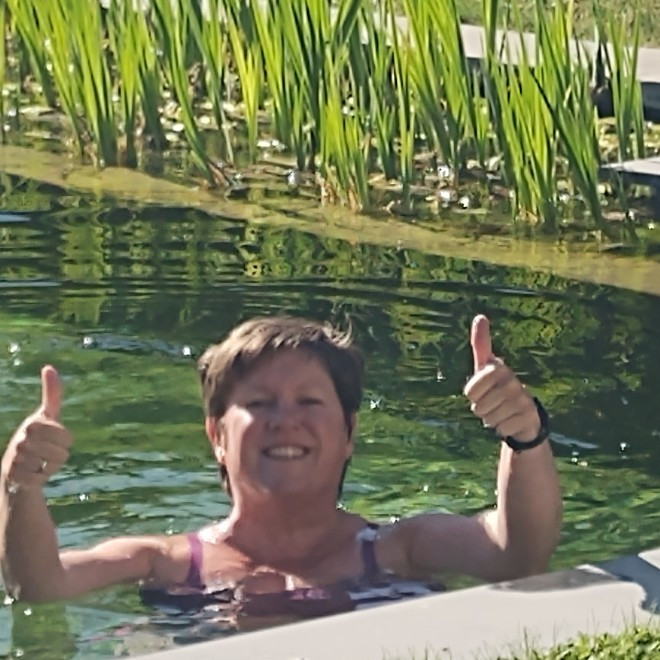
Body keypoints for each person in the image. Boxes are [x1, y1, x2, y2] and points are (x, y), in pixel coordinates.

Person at [0, 314, 561, 622]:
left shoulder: (402, 550)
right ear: (217, 437)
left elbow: (517, 554)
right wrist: (19, 485)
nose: (285, 421)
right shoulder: (164, 564)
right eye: (259, 403)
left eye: (309, 402)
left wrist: (523, 436)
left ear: (349, 434)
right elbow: (38, 585)